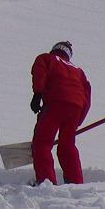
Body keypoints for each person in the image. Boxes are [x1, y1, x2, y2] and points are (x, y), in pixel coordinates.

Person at [30, 41, 91, 185]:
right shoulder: (79, 71)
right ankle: (75, 182)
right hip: (76, 108)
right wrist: (77, 122)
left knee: (42, 143)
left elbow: (40, 72)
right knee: (67, 145)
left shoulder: (46, 58)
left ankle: (46, 182)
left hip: (55, 103)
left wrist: (37, 94)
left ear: (54, 50)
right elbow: (87, 96)